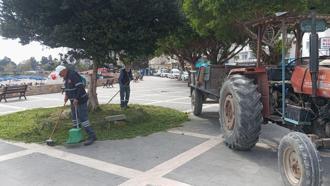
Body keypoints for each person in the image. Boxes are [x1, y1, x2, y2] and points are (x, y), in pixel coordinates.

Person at [55, 65, 97, 146]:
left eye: (60, 73)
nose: (60, 75)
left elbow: (80, 87)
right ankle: (76, 136)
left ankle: (92, 136)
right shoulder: (66, 77)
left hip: (80, 100)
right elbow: (68, 87)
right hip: (72, 101)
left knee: (83, 118)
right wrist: (66, 95)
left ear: (64, 70)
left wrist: (76, 98)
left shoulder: (73, 75)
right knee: (75, 118)